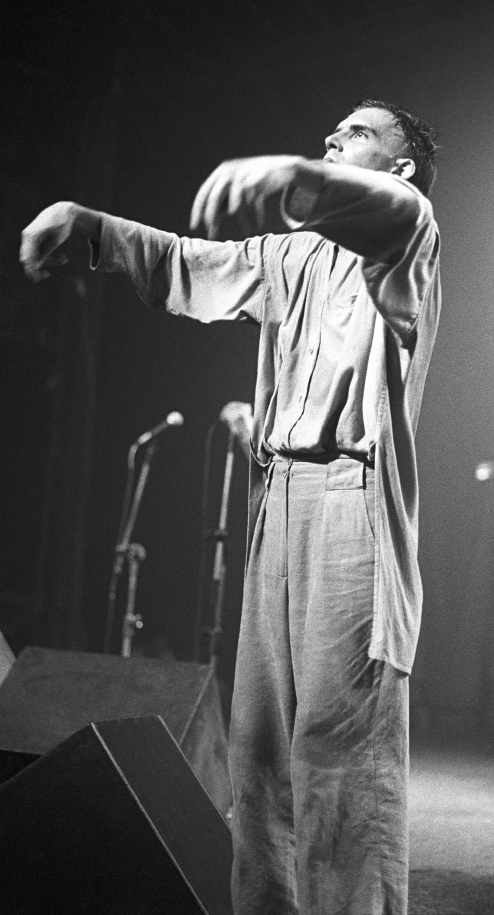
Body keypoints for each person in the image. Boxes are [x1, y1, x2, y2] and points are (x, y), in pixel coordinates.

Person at [20, 99, 441, 915]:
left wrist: (290, 178)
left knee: (340, 759)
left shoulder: (407, 232)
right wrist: (91, 225)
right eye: (332, 132)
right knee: (259, 756)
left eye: (356, 134)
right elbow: (190, 266)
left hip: (350, 506)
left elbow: (385, 211)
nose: (332, 139)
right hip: (275, 503)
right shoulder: (289, 256)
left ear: (399, 166)